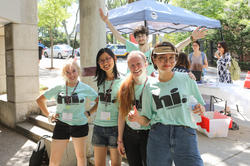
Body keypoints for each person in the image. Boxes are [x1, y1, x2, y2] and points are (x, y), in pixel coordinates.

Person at [128, 41, 206, 166]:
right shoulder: (148, 86)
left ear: (176, 59)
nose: (167, 62)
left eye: (171, 58)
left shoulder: (187, 78)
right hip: (158, 135)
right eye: (162, 58)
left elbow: (201, 105)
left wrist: (200, 108)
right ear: (154, 59)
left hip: (185, 134)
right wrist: (137, 118)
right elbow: (147, 120)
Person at [99, 8, 207, 76]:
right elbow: (118, 37)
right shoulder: (133, 48)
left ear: (147, 37)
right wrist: (107, 21)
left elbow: (175, 48)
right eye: (138, 36)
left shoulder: (153, 52)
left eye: (143, 36)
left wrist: (191, 39)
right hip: (131, 83)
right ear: (135, 38)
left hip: (146, 85)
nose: (140, 38)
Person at [36, 59, 98, 166]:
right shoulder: (58, 87)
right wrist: (49, 114)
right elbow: (40, 100)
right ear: (64, 74)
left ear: (78, 71)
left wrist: (89, 113)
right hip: (61, 125)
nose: (71, 75)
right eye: (67, 72)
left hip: (80, 125)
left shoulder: (85, 88)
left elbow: (99, 101)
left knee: (81, 157)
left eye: (74, 71)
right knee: (54, 159)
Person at [117, 51, 154, 166]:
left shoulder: (154, 85)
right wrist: (120, 140)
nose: (136, 68)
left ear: (146, 64)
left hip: (148, 134)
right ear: (128, 67)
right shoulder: (125, 87)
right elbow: (121, 115)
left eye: (139, 63)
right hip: (129, 134)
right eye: (132, 65)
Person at [90, 48, 122, 166]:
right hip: (98, 126)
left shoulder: (122, 81)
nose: (105, 62)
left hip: (115, 127)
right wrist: (89, 112)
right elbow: (100, 102)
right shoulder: (100, 81)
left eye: (108, 58)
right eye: (101, 60)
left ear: (115, 58)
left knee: (116, 164)